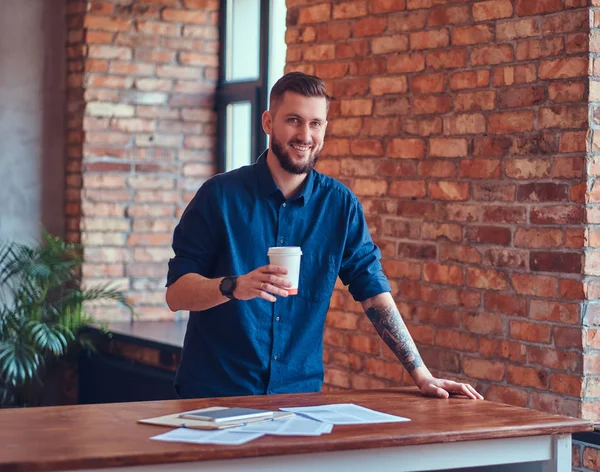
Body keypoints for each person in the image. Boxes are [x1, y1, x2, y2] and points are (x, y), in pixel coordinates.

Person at [166, 72, 483, 401]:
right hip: (215, 395)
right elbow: (176, 294)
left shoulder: (340, 205)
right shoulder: (219, 197)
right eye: (293, 120)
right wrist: (234, 286)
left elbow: (373, 291)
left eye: (316, 123)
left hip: (297, 399)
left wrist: (422, 375)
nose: (305, 135)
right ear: (268, 122)